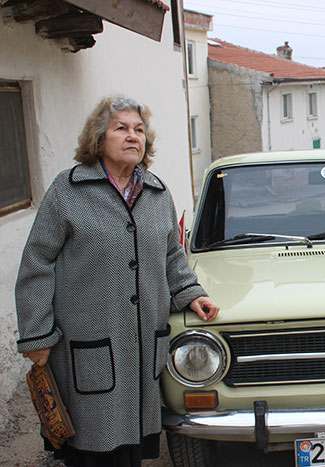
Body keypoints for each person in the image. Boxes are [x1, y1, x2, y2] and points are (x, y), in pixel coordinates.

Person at [15, 95, 220, 466]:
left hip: (141, 348)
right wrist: (36, 335)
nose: (132, 137)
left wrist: (191, 293)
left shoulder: (156, 192)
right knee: (93, 444)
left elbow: (172, 254)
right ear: (98, 140)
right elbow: (37, 262)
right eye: (121, 128)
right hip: (89, 345)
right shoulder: (68, 191)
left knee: (132, 448)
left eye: (139, 130)